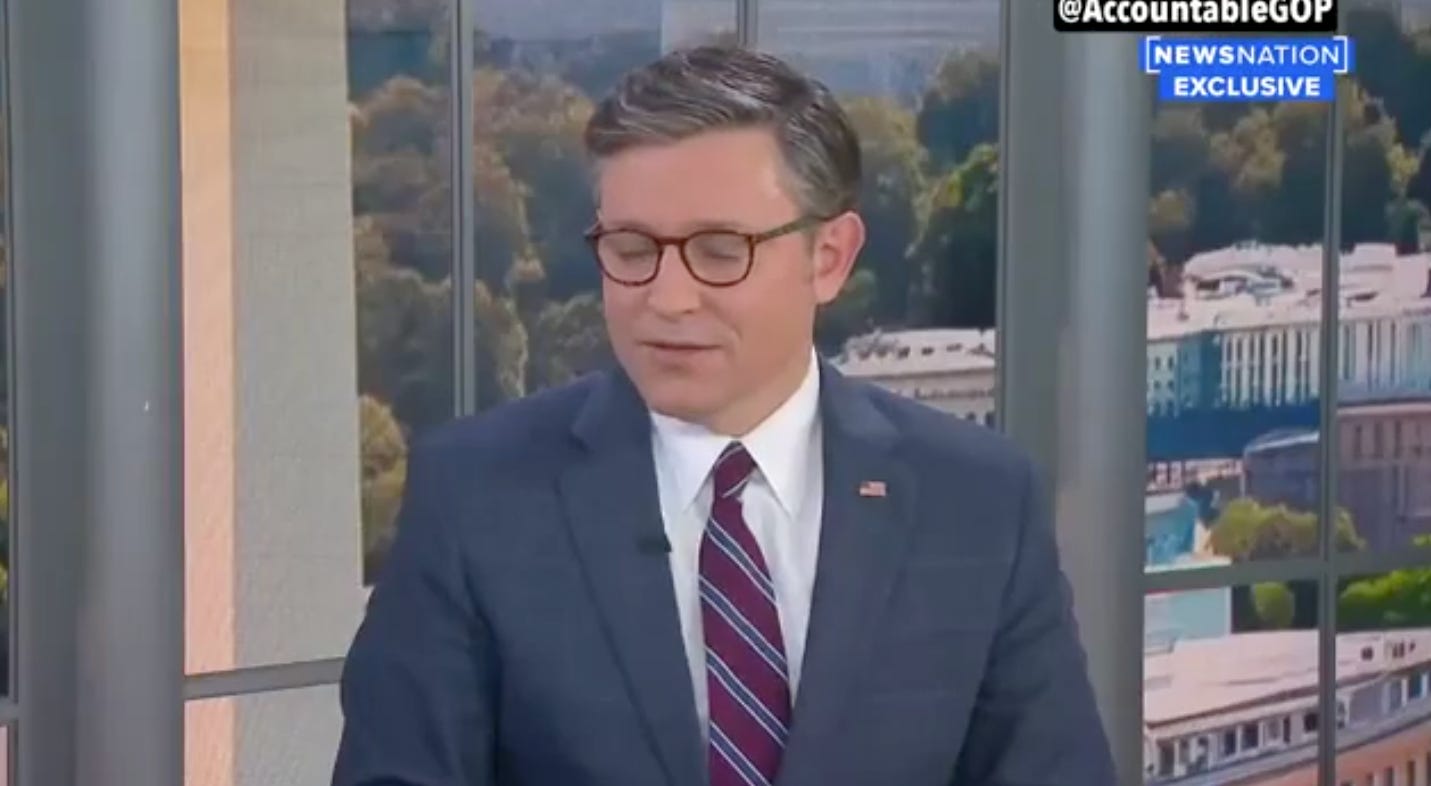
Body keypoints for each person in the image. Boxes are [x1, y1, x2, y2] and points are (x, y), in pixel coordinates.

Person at [331, 45, 1115, 786]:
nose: (667, 299)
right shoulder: (475, 497)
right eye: (632, 249)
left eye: (718, 251)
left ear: (828, 257)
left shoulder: (976, 502)